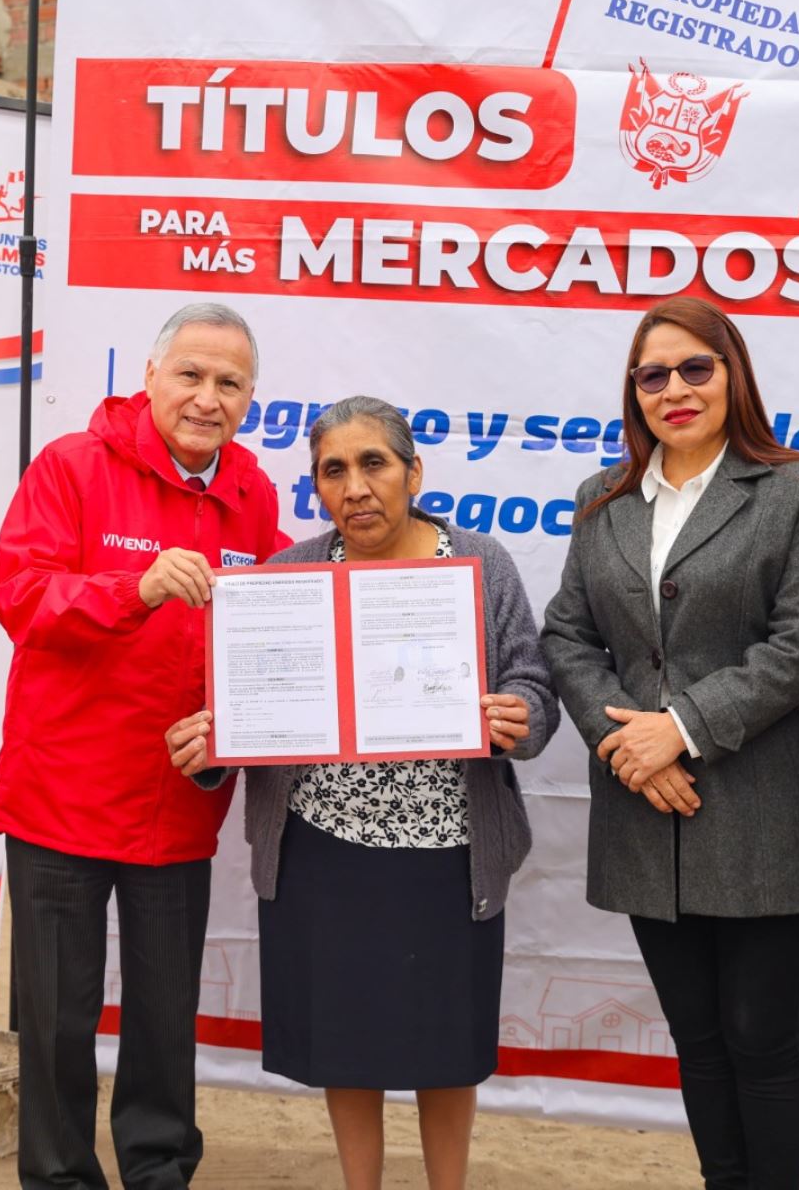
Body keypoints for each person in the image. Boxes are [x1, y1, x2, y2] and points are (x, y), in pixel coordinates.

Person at [164, 396, 558, 1190]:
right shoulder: (287, 576)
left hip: (451, 851)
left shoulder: (481, 563)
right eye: (333, 470)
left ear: (414, 472)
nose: (355, 487)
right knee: (348, 1043)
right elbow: (243, 715)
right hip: (322, 852)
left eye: (373, 463)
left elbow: (531, 679)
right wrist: (211, 748)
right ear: (315, 487)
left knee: (446, 1046)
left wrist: (522, 714)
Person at [538, 297, 799, 1189]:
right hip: (646, 807)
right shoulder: (601, 501)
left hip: (762, 809)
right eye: (653, 375)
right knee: (699, 1037)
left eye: (695, 368)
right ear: (633, 392)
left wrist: (680, 730)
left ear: (733, 374)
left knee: (761, 1036)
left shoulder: (796, 488)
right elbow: (569, 637)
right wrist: (626, 742)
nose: (674, 388)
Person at [0, 302, 287, 1190]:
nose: (207, 398)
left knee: (164, 1013)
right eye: (190, 375)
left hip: (177, 801)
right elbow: (20, 597)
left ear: (250, 398)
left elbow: (267, 638)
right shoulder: (72, 467)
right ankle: (58, 1174)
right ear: (149, 377)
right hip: (60, 796)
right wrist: (135, 587)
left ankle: (159, 1168)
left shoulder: (254, 493)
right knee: (57, 1017)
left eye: (229, 383)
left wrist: (234, 733)